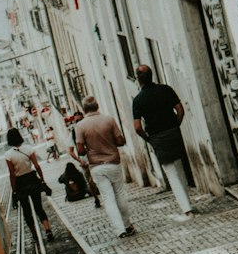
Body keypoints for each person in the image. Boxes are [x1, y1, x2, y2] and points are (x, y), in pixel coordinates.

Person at [131, 65, 194, 220]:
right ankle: (188, 204)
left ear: (138, 79)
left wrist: (149, 139)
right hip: (173, 132)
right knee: (180, 168)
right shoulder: (166, 89)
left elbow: (137, 127)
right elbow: (180, 109)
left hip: (157, 137)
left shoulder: (138, 100)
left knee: (171, 172)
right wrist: (175, 125)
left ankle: (187, 209)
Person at [75, 94, 135, 238]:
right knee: (120, 194)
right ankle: (127, 225)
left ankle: (119, 230)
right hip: (113, 162)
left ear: (84, 109)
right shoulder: (109, 120)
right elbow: (120, 141)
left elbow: (80, 150)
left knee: (108, 198)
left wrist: (90, 147)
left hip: (96, 166)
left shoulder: (80, 125)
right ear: (97, 106)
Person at [4, 127, 53, 241]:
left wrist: (14, 190)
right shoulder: (28, 149)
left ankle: (34, 234)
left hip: (20, 183)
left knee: (27, 211)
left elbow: (12, 174)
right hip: (32, 179)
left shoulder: (8, 155)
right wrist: (42, 179)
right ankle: (47, 229)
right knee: (39, 207)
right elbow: (36, 166)